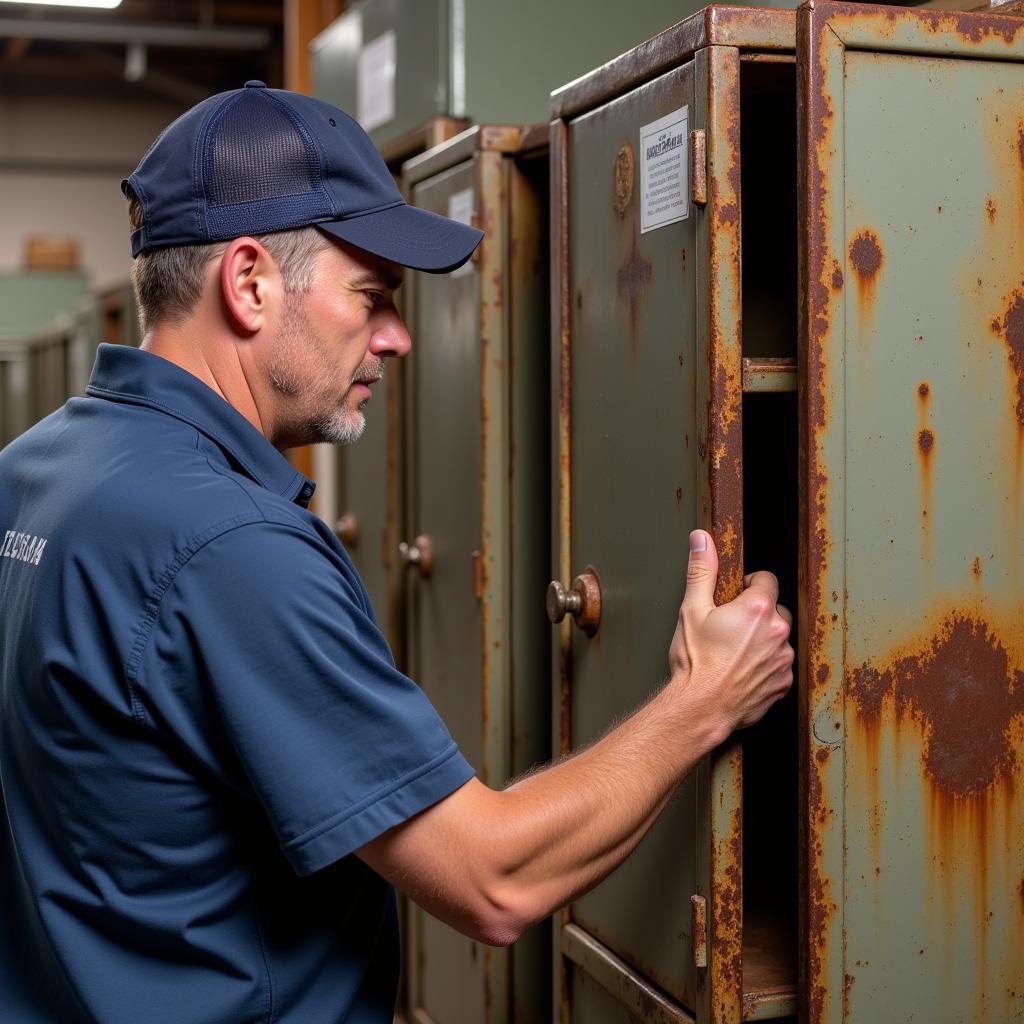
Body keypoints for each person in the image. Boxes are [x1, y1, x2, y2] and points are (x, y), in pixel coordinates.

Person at [0, 82, 793, 1023]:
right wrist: (706, 700)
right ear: (249, 282)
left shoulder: (34, 466)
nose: (398, 337)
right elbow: (493, 879)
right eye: (370, 296)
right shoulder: (234, 547)